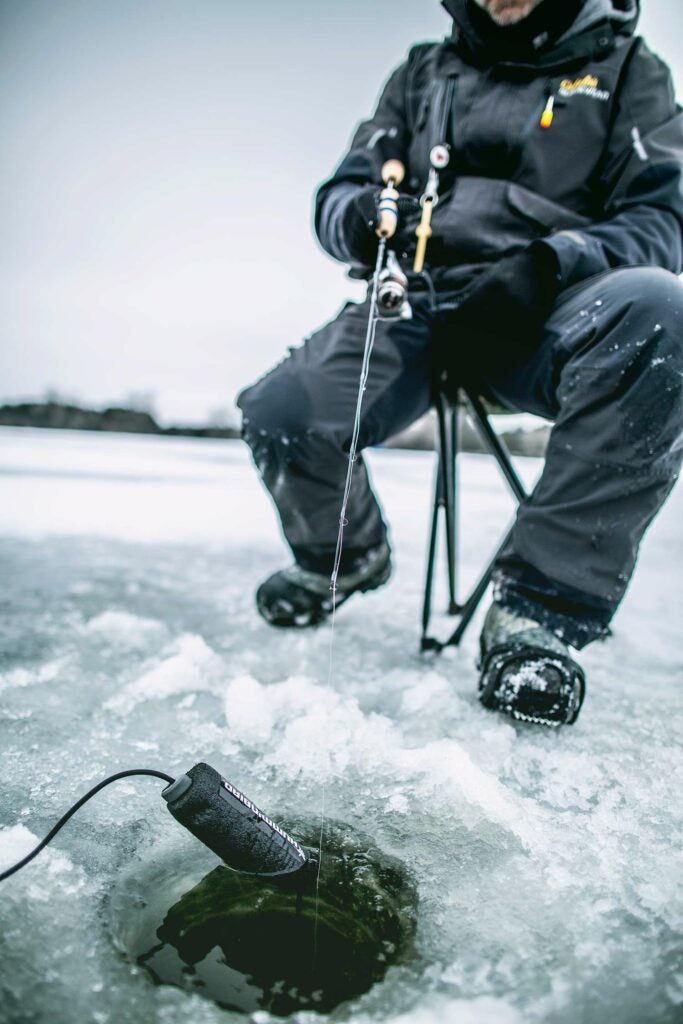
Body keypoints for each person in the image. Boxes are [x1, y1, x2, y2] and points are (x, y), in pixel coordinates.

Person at [237, 0, 683, 726]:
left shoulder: (630, 72)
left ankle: (537, 618)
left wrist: (549, 263)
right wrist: (354, 216)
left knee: (660, 313)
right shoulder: (421, 72)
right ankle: (341, 556)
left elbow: (662, 220)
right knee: (282, 411)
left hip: (548, 308)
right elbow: (340, 192)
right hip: (412, 302)